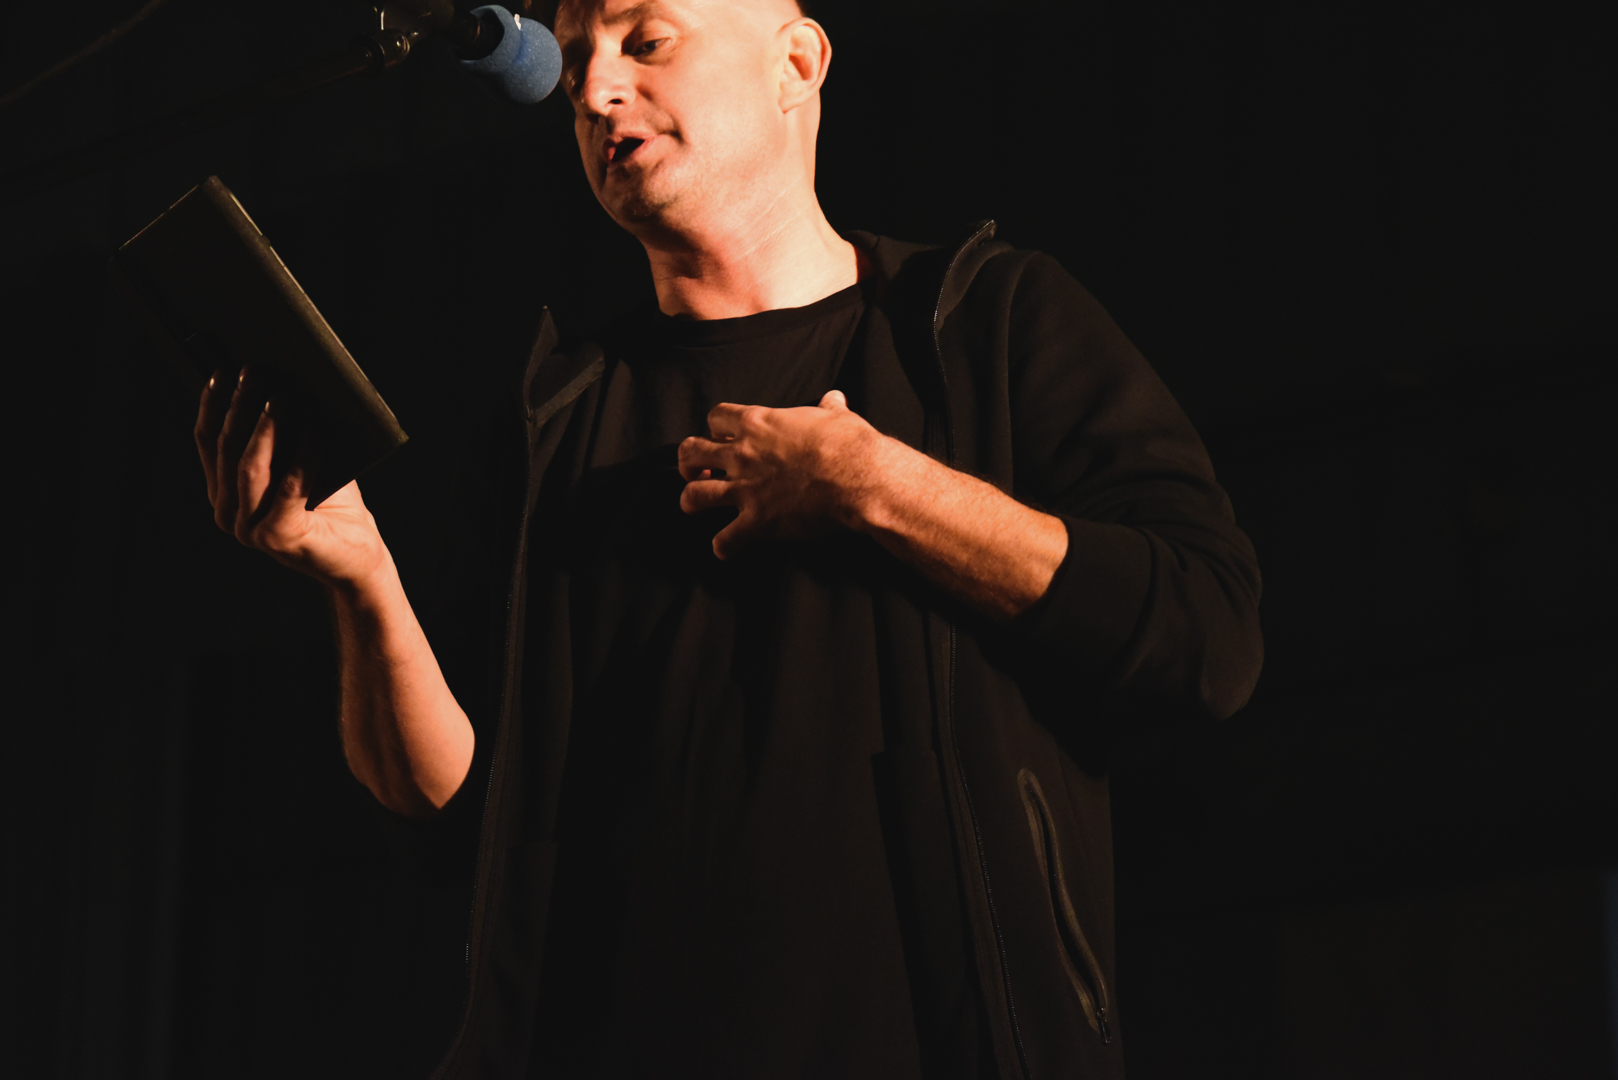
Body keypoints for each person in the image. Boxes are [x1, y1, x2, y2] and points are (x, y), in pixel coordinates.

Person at [193, 0, 1262, 1075]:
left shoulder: (983, 326)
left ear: (795, 63)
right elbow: (452, 821)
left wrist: (877, 484)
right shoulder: (554, 422)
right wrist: (361, 579)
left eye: (645, 41)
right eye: (576, 66)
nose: (594, 91)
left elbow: (1206, 635)